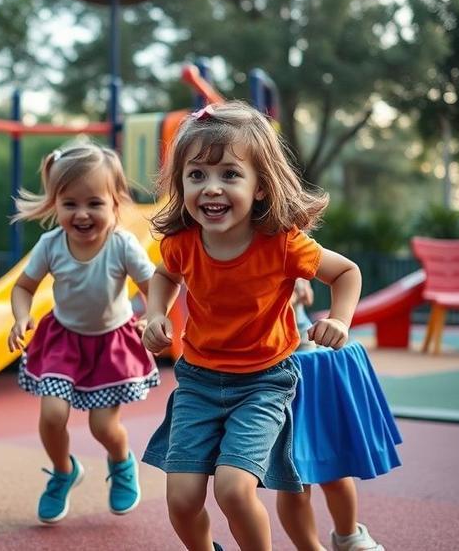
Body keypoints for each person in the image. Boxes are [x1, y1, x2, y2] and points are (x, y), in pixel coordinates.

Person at [141, 101, 362, 551]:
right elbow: (163, 276)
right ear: (180, 183)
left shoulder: (282, 245)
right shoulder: (183, 244)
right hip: (198, 382)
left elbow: (346, 272)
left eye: (229, 174)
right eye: (196, 175)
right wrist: (156, 312)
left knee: (233, 489)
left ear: (261, 187)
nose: (211, 188)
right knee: (181, 498)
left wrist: (339, 318)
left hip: (264, 383)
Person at [7, 139, 159, 524]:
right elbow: (23, 286)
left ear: (115, 204)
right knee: (53, 415)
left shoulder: (122, 245)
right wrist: (21, 317)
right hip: (64, 340)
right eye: (70, 203)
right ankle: (63, 470)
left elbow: (155, 284)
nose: (82, 213)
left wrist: (152, 316)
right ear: (55, 203)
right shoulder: (50, 245)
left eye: (94, 203)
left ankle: (121, 462)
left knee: (103, 426)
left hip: (111, 343)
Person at [275, 280, 400, 551]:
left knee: (336, 472)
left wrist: (298, 285)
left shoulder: (288, 252)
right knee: (293, 481)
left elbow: (316, 284)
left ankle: (348, 535)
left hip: (310, 375)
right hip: (275, 384)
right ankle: (310, 547)